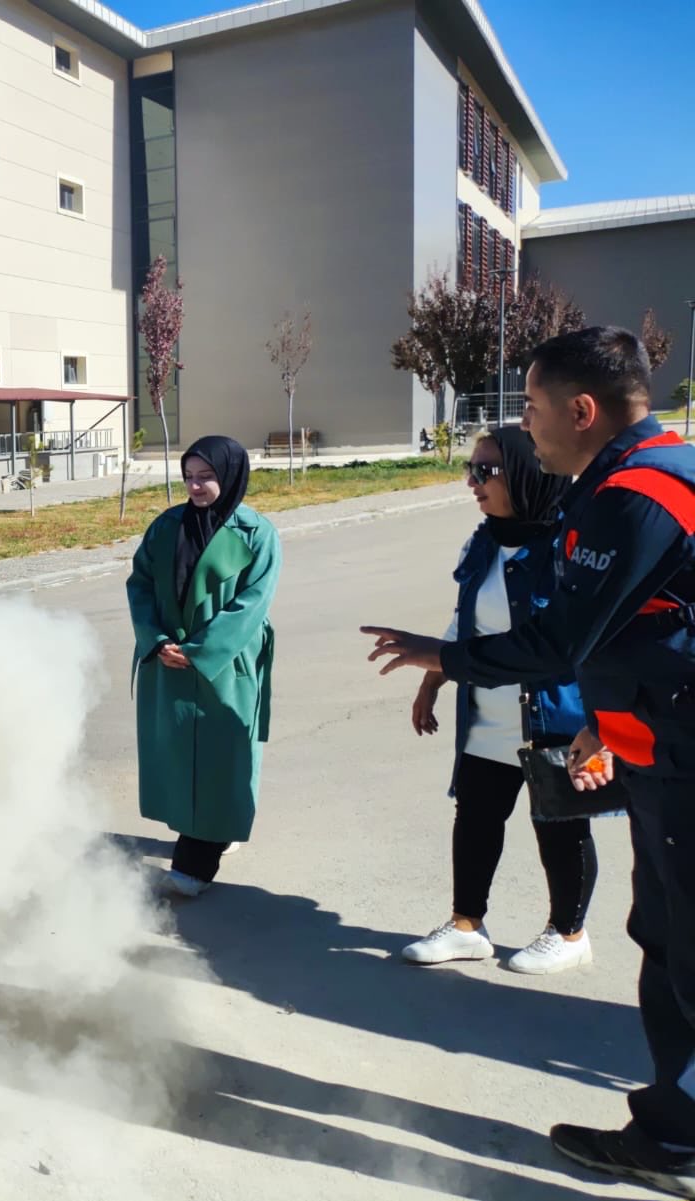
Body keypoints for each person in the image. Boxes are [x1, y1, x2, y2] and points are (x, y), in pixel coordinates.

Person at [364, 327, 695, 1197]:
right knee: (669, 945)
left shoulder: (636, 494)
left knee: (686, 956)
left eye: (534, 406)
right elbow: (651, 627)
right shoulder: (657, 471)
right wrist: (610, 724)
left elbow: (558, 641)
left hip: (684, 766)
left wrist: (444, 656)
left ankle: (678, 1142)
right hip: (659, 747)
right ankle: (673, 1128)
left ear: (581, 410)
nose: (525, 425)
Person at [403, 427, 599, 974]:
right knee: (475, 819)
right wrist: (432, 681)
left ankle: (569, 933)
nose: (473, 482)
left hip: (554, 714)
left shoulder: (568, 548)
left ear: (528, 474)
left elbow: (574, 641)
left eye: (486, 471)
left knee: (560, 825)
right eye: (470, 469)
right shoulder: (483, 542)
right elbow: (464, 620)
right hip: (486, 714)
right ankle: (467, 925)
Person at [127, 436, 281, 898]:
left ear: (230, 476)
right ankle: (209, 831)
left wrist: (200, 651)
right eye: (189, 477)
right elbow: (140, 584)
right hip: (167, 659)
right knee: (178, 759)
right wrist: (155, 640)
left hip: (224, 662)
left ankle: (194, 865)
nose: (195, 487)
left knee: (220, 759)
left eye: (206, 477)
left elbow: (252, 603)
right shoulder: (166, 526)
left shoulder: (257, 534)